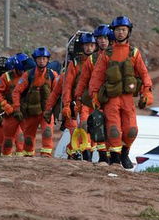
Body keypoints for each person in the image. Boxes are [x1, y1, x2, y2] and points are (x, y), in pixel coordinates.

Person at [89, 16, 153, 168]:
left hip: (127, 99)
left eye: (123, 30)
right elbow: (97, 75)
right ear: (114, 32)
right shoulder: (107, 54)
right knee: (113, 130)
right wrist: (94, 95)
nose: (120, 33)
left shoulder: (134, 53)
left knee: (131, 130)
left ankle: (125, 152)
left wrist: (147, 92)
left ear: (128, 32)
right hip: (111, 99)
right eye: (118, 30)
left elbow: (144, 74)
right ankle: (116, 160)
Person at [74, 25, 112, 164]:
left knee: (113, 128)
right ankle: (90, 155)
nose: (89, 48)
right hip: (89, 99)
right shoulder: (81, 63)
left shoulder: (116, 56)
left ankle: (113, 157)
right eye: (100, 39)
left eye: (105, 38)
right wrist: (74, 101)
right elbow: (78, 83)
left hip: (109, 98)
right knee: (87, 125)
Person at [12, 47, 59, 157]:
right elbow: (16, 92)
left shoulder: (53, 75)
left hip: (46, 111)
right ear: (35, 60)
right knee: (28, 137)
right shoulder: (28, 75)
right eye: (39, 59)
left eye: (44, 58)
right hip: (31, 111)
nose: (41, 61)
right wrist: (17, 108)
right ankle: (28, 156)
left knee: (47, 132)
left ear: (47, 60)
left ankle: (46, 155)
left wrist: (55, 108)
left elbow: (57, 92)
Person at [61, 32, 98, 160]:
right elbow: (68, 85)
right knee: (84, 126)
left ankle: (74, 151)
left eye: (92, 45)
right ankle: (84, 154)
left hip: (96, 101)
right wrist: (67, 104)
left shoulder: (100, 61)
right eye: (87, 45)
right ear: (82, 46)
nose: (89, 48)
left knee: (94, 131)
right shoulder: (75, 63)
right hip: (80, 102)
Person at [0, 54, 27, 156]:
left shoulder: (29, 75)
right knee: (4, 139)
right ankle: (1, 157)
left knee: (21, 137)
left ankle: (21, 156)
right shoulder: (6, 78)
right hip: (6, 113)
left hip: (20, 111)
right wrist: (5, 105)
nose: (22, 73)